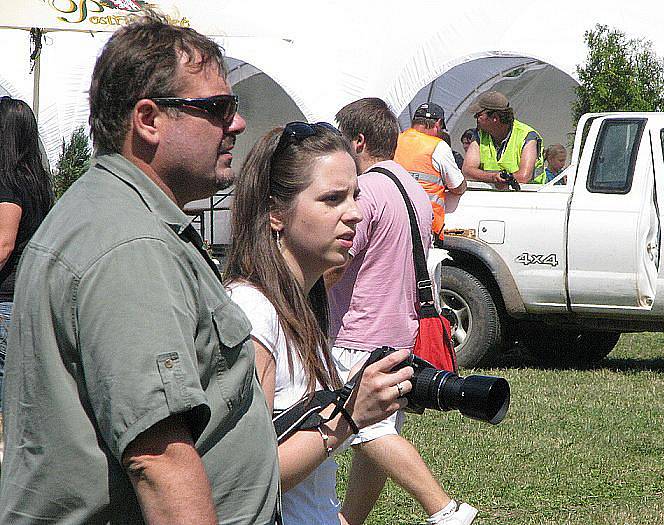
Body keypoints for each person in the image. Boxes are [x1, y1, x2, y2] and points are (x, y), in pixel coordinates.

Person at [0, 15, 280, 524]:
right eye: (218, 108)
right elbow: (158, 460)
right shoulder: (130, 244)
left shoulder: (122, 215)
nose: (236, 123)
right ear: (148, 120)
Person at [223, 121, 415, 525]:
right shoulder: (253, 312)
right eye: (332, 199)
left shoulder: (304, 306)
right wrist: (348, 418)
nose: (356, 214)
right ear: (276, 212)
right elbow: (248, 478)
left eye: (355, 196)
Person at [328, 97, 478, 525]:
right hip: (399, 327)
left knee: (365, 428)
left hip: (357, 329)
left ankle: (444, 509)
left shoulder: (368, 189)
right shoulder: (411, 185)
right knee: (380, 431)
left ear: (357, 142)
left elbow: (337, 260)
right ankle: (349, 520)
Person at [0, 97, 54, 459]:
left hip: (4, 303)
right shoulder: (37, 184)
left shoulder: (7, 185)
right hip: (26, 298)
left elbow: (2, 244)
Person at [394, 102, 467, 245]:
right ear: (438, 124)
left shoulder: (394, 141)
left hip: (393, 220)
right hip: (425, 224)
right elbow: (458, 186)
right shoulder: (438, 146)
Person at [462, 91, 545, 188]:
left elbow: (523, 177)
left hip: (530, 197)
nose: (476, 118)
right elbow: (467, 171)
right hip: (494, 197)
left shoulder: (527, 136)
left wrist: (497, 178)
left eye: (478, 115)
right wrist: (493, 177)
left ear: (495, 118)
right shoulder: (479, 135)